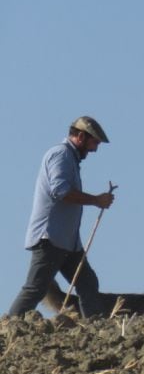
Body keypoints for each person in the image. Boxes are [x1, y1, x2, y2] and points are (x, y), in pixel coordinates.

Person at [8, 117, 116, 318]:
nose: (94, 149)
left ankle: (95, 330)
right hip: (50, 238)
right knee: (35, 289)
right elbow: (61, 191)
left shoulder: (70, 159)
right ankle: (8, 329)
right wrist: (96, 200)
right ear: (81, 136)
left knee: (88, 283)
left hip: (67, 243)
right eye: (94, 143)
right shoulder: (61, 155)